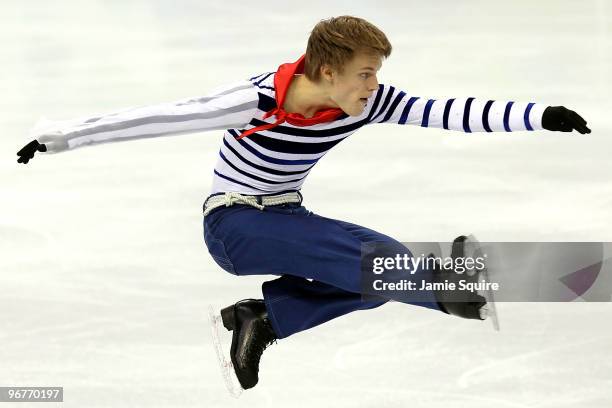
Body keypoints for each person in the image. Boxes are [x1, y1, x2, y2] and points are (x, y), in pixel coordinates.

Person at [17, 16, 591, 391]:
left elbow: (449, 111)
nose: (372, 84)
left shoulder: (368, 101)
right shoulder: (257, 100)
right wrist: (58, 137)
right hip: (236, 223)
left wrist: (539, 115)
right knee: (376, 262)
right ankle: (449, 297)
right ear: (325, 70)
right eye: (364, 73)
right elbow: (159, 117)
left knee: (373, 274)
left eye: (376, 74)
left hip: (287, 215)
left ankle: (263, 319)